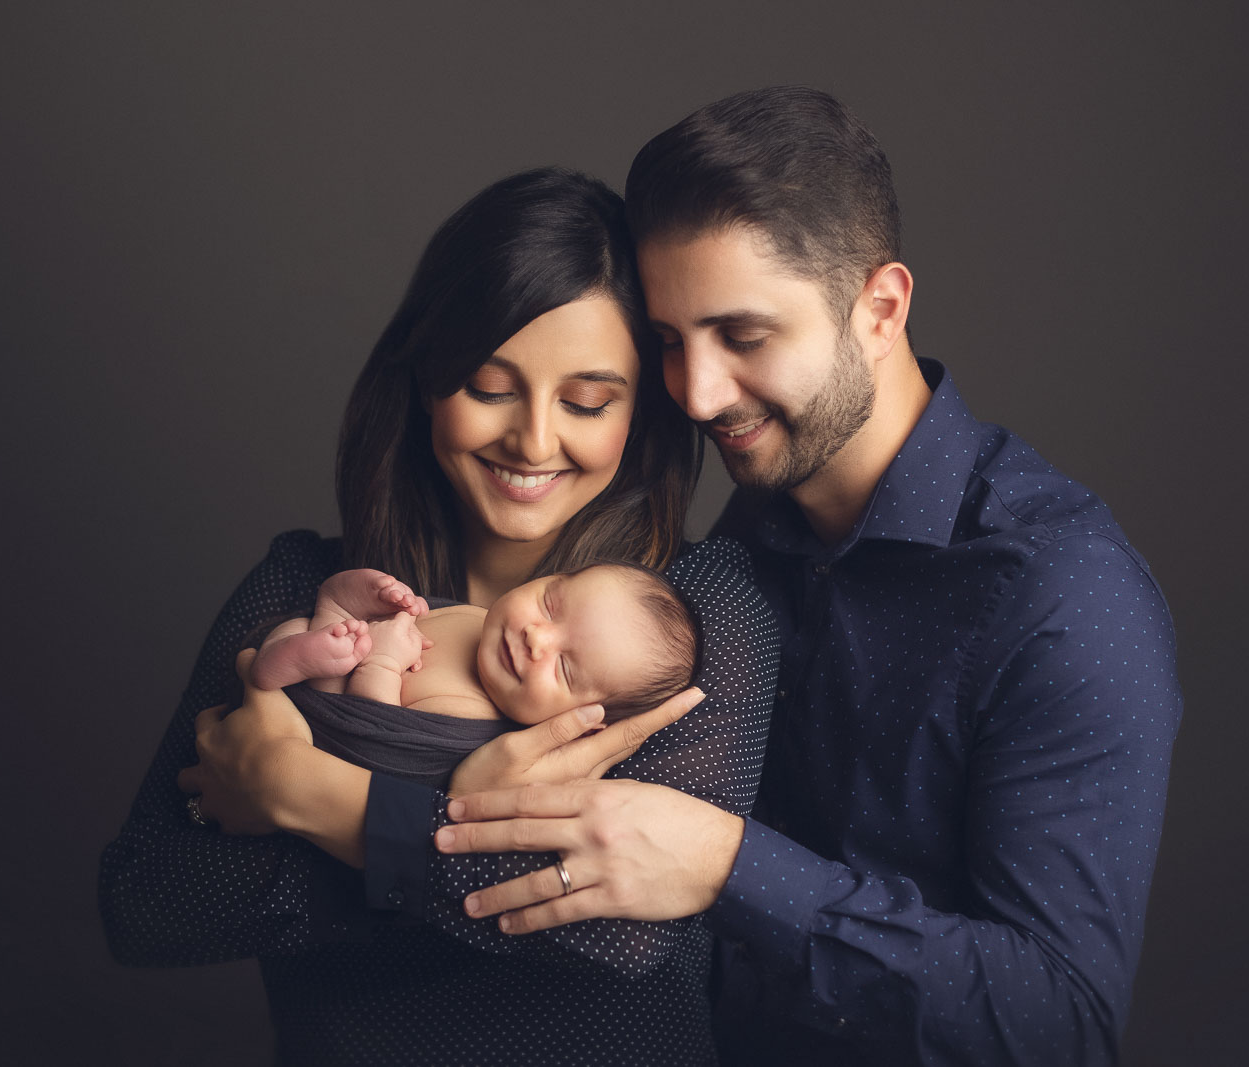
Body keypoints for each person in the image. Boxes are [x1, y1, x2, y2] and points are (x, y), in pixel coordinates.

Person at [431, 88, 1184, 1065]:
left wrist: (727, 866)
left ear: (879, 307)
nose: (697, 393)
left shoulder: (1063, 596)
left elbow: (1059, 1024)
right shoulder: (732, 534)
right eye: (670, 340)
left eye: (743, 336)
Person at [98, 166, 780, 1065]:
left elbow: (621, 935)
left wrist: (304, 794)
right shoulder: (308, 592)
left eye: (586, 402)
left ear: (640, 413)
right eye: (491, 387)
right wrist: (461, 833)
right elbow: (145, 905)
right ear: (425, 381)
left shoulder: (697, 621)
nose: (534, 441)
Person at [241, 561, 701, 790]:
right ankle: (316, 626)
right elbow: (415, 616)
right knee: (327, 617)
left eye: (563, 667)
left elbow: (372, 740)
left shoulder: (472, 725)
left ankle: (281, 667)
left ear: (585, 720)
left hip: (326, 713)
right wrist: (385, 599)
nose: (536, 638)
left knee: (321, 655)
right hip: (343, 641)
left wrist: (380, 666)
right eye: (549, 604)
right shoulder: (479, 617)